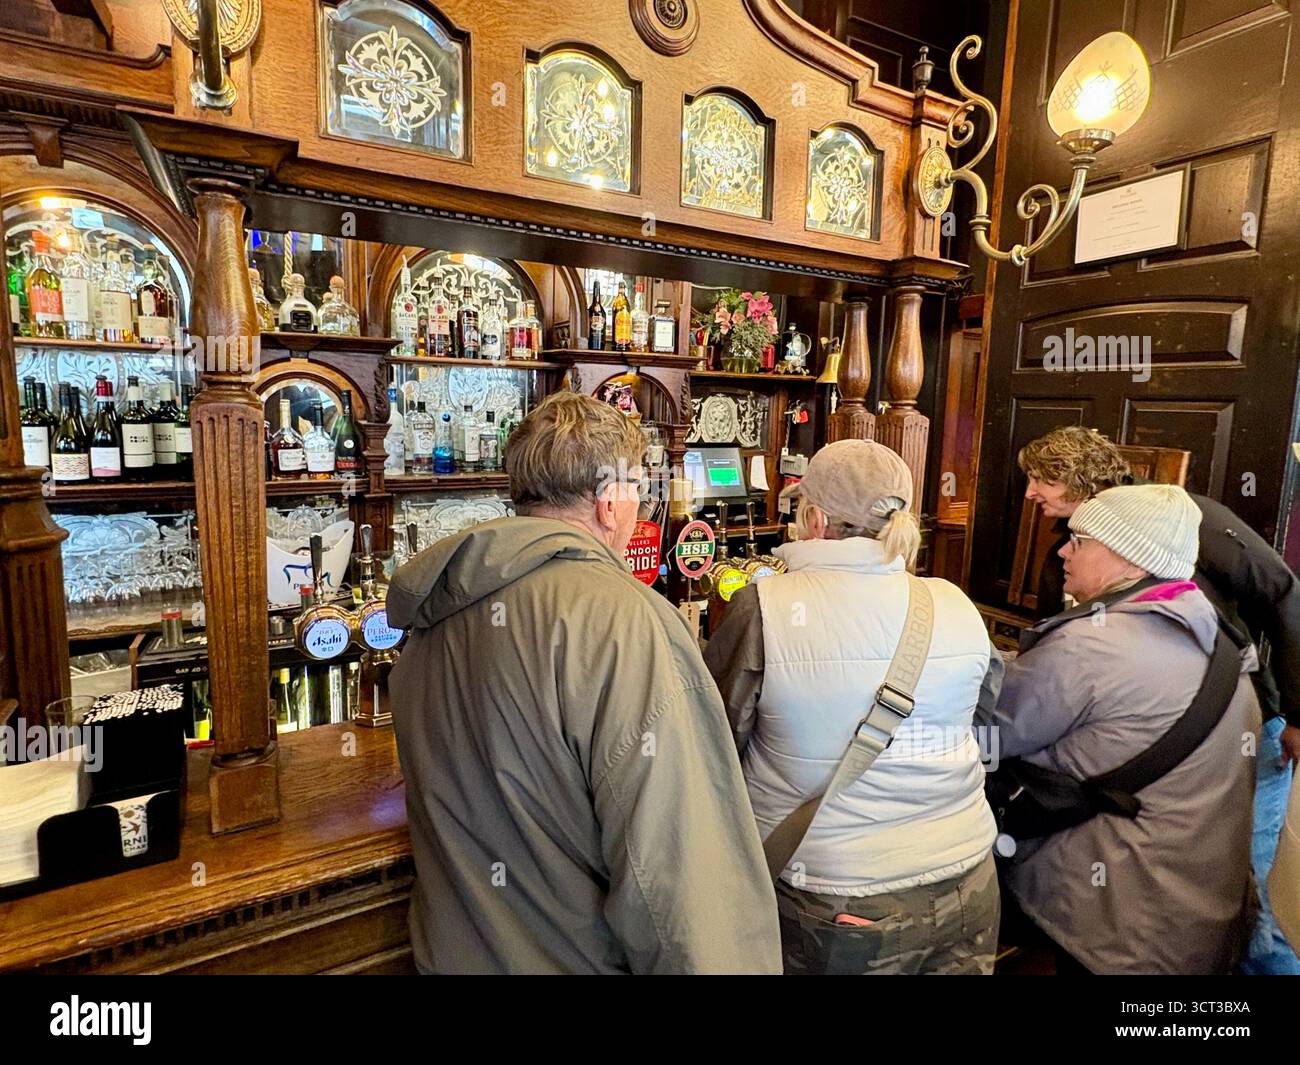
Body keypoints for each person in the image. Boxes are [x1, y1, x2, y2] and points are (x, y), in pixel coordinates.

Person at [385, 392, 782, 974]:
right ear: (609, 500)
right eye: (640, 491)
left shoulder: (433, 616)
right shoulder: (627, 621)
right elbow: (682, 880)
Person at [704, 440, 1000, 975]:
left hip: (839, 898)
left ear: (814, 518)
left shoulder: (764, 608)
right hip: (970, 879)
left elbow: (713, 744)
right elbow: (984, 729)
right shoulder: (957, 603)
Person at [1019, 425, 1300, 974]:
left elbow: (1284, 593)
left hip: (1240, 721)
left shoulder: (1192, 519)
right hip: (1158, 735)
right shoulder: (1082, 537)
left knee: (1255, 890)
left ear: (1076, 478)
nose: (1030, 492)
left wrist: (1299, 713)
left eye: (1040, 478)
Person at [983, 484, 1260, 973]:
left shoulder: (1089, 647)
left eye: (1081, 541)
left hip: (1113, 918)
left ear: (1133, 561)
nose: (1064, 551)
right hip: (1196, 915)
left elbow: (991, 735)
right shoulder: (1218, 640)